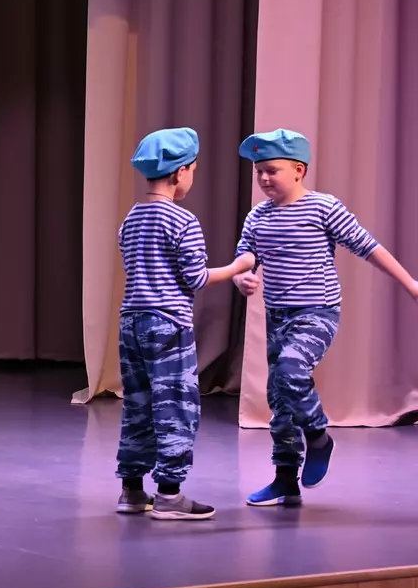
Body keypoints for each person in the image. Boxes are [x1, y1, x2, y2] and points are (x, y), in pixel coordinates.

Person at [234, 129, 418, 506]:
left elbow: (368, 247)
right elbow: (245, 257)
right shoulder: (257, 217)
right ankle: (285, 478)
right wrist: (242, 277)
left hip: (317, 310)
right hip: (277, 315)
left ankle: (319, 437)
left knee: (290, 370)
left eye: (272, 170)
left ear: (298, 170)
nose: (264, 178)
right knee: (280, 397)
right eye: (259, 172)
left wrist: (411, 284)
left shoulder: (322, 207)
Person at [114, 128, 255, 521]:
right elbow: (195, 279)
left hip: (131, 322)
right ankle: (170, 495)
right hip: (168, 325)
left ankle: (131, 490)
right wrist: (237, 267)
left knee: (138, 405)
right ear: (180, 173)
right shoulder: (182, 220)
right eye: (193, 170)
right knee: (176, 405)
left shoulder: (131, 218)